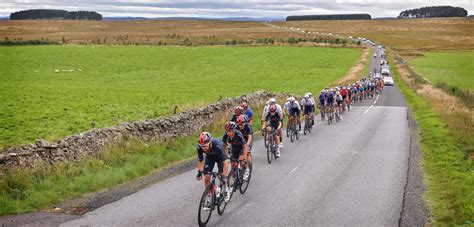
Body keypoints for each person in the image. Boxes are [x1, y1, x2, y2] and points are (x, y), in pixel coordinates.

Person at [196, 132, 230, 206]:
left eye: (205, 146)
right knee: (206, 177)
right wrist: (199, 172)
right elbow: (201, 161)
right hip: (210, 158)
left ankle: (226, 189)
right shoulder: (199, 147)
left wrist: (224, 176)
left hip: (220, 158)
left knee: (221, 176)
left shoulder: (218, 145)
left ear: (210, 142)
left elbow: (225, 163)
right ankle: (209, 196)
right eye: (202, 146)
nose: (204, 148)